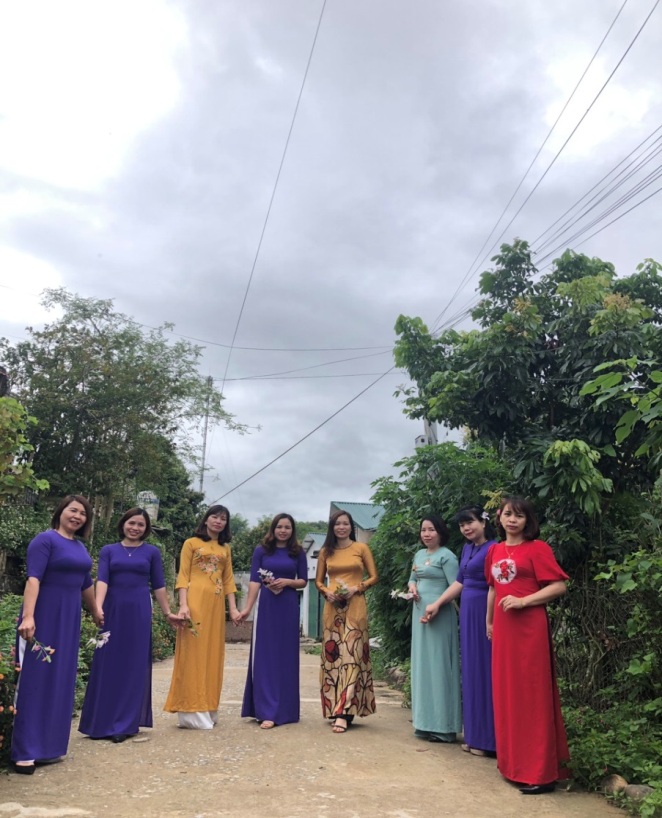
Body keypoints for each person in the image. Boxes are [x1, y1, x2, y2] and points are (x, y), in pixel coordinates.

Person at [11, 495, 103, 774]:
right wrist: (28, 616)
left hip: (69, 620)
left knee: (61, 679)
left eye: (83, 513)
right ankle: (25, 751)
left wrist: (96, 610)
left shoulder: (80, 548)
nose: (77, 516)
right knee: (35, 679)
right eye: (73, 510)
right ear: (60, 511)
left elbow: (85, 583)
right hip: (45, 616)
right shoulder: (45, 540)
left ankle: (50, 746)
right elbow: (33, 579)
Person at [486, 496, 570, 795]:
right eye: (508, 514)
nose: (512, 520)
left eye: (519, 516)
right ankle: (513, 765)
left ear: (527, 521)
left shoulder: (537, 548)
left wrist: (524, 601)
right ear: (500, 517)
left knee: (532, 694)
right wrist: (489, 622)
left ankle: (541, 773)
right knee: (507, 694)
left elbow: (558, 586)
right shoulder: (494, 550)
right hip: (503, 630)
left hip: (529, 629)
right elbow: (494, 588)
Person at [78, 508, 182, 742]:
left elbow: (159, 585)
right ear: (123, 523)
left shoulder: (152, 552)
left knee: (133, 664)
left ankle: (124, 724)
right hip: (113, 610)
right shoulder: (108, 550)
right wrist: (98, 607)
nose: (135, 528)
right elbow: (102, 580)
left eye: (140, 525)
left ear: (146, 529)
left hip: (138, 611)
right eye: (131, 523)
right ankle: (100, 722)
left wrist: (168, 612)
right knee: (108, 662)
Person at [423, 505, 497, 755]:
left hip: (485, 611)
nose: (466, 528)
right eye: (462, 525)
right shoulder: (467, 548)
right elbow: (459, 582)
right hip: (467, 611)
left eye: (470, 522)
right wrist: (438, 603)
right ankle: (474, 736)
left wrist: (490, 619)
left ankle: (489, 741)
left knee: (486, 671)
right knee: (471, 671)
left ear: (484, 522)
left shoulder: (494, 548)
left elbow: (496, 585)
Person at [164, 504, 241, 729]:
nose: (218, 521)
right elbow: (183, 576)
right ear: (206, 519)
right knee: (194, 653)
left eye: (223, 519)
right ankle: (191, 710)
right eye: (214, 517)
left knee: (212, 654)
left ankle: (208, 706)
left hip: (216, 606)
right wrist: (183, 605)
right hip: (195, 603)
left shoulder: (225, 548)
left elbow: (228, 580)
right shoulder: (191, 543)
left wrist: (233, 609)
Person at [239, 513, 308, 728]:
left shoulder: (298, 552)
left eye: (287, 527)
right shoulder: (261, 551)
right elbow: (254, 581)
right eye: (279, 527)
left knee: (286, 657)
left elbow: (303, 581)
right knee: (266, 656)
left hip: (288, 607)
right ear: (273, 528)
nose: (283, 530)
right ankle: (266, 710)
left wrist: (288, 582)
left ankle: (286, 710)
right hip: (267, 606)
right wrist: (247, 609)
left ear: (292, 530)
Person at [315, 510, 378, 734]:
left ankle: (343, 711)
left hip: (355, 606)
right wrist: (327, 592)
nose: (341, 527)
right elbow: (318, 581)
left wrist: (356, 588)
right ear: (332, 528)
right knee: (334, 658)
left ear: (351, 526)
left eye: (345, 523)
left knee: (352, 656)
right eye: (337, 524)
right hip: (332, 608)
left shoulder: (361, 548)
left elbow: (374, 577)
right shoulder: (326, 551)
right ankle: (336, 707)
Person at [408, 514, 461, 742]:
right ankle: (424, 723)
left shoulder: (447, 556)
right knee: (422, 666)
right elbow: (412, 578)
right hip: (419, 613)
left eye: (431, 530)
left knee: (439, 666)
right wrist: (412, 588)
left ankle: (443, 726)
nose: (427, 534)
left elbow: (457, 585)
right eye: (423, 530)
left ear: (440, 532)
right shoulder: (419, 554)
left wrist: (438, 604)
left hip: (439, 615)